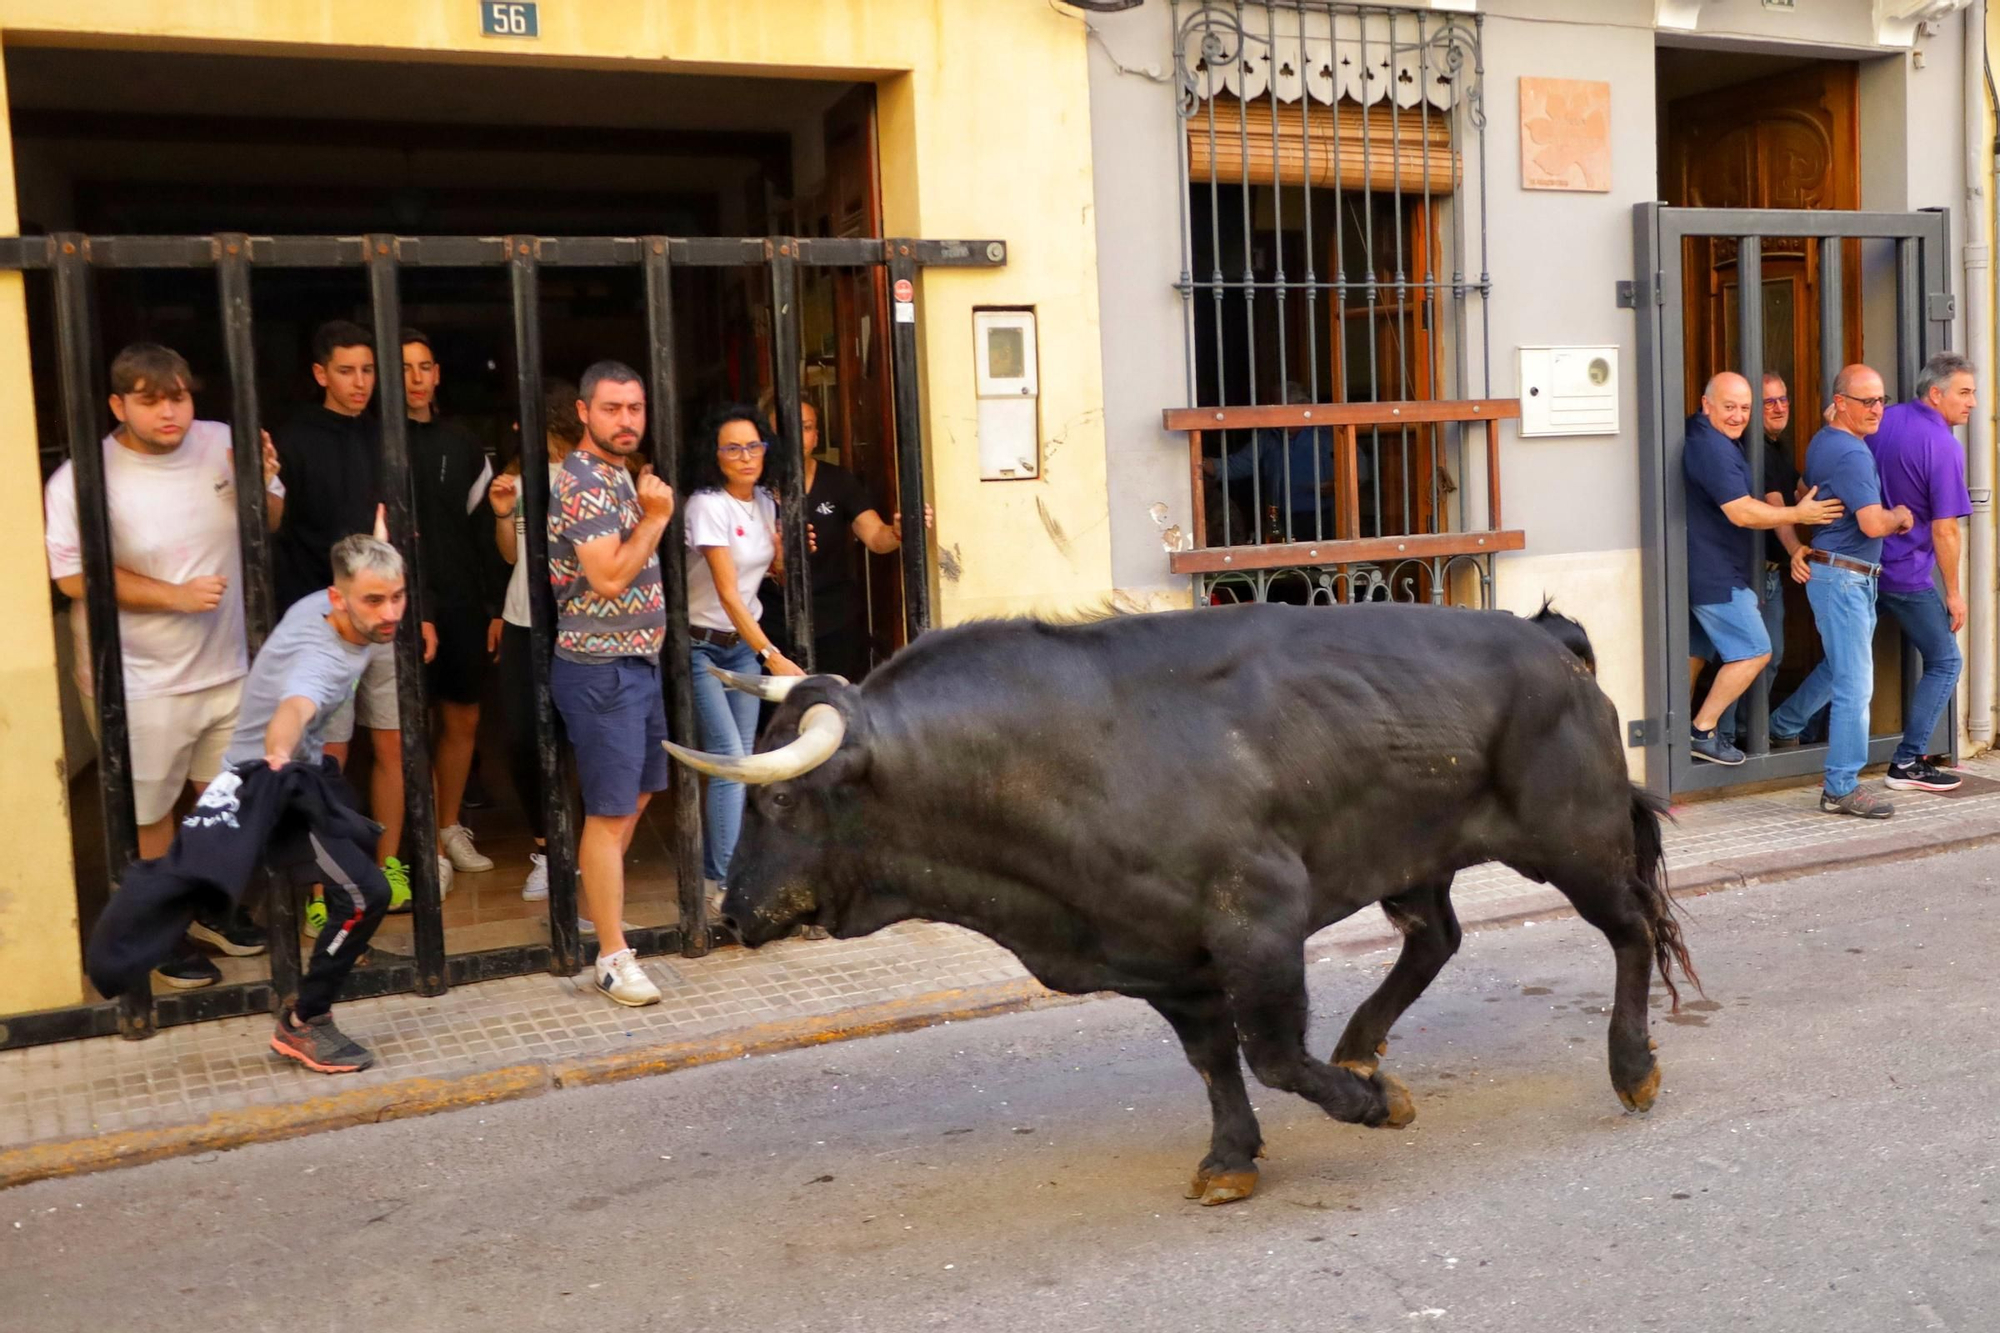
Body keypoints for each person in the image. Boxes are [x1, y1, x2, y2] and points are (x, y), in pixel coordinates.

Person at [43, 342, 286, 988]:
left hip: (228, 664)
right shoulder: (82, 478)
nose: (170, 412)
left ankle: (209, 909)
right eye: (150, 401)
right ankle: (164, 933)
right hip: (141, 678)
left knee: (223, 801)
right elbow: (70, 576)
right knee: (150, 813)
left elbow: (270, 524)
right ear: (118, 405)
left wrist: (260, 481)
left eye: (178, 397)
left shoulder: (220, 442)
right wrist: (173, 596)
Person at [271, 320, 445, 905]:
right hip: (326, 625)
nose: (360, 382)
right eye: (346, 371)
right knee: (329, 759)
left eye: (368, 370)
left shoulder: (385, 436)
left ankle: (388, 869)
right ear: (321, 373)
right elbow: (272, 531)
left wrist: (417, 610)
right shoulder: (292, 440)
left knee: (396, 748)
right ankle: (325, 889)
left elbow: (406, 533)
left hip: (389, 618)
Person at [226, 527, 405, 1073]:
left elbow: (364, 575)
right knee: (365, 893)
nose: (389, 613)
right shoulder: (320, 659)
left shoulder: (328, 603)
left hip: (309, 772)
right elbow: (296, 707)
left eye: (397, 596)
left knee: (356, 855)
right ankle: (304, 1022)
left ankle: (345, 948)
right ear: (339, 598)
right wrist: (279, 752)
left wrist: (378, 544)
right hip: (272, 784)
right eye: (374, 601)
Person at [547, 361, 675, 1006]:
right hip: (601, 671)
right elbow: (608, 579)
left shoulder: (619, 476)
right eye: (612, 408)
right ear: (584, 412)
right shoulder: (583, 484)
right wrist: (655, 517)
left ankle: (592, 907)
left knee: (643, 793)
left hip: (635, 665)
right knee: (610, 811)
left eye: (635, 407)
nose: (626, 420)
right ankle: (611, 956)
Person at [1769, 364, 1914, 818]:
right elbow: (1873, 522)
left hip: (1844, 575)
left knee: (1842, 667)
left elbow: (1801, 487)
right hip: (1845, 577)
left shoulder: (1823, 440)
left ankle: (1784, 723)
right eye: (1866, 401)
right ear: (1841, 403)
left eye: (1881, 400)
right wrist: (1901, 516)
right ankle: (1841, 787)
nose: (1876, 410)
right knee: (1856, 684)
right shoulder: (1851, 454)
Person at [1681, 371, 1840, 765]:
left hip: (1708, 569)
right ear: (1706, 405)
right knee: (1755, 650)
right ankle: (1700, 731)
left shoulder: (1709, 436)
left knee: (1695, 653)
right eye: (1729, 407)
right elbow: (1740, 511)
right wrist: (1800, 513)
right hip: (1714, 574)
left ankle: (1678, 736)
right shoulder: (1713, 448)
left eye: (1744, 408)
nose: (1738, 416)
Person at [684, 403, 802, 915]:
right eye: (733, 448)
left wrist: (780, 558)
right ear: (715, 455)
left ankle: (731, 868)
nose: (745, 456)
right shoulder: (706, 505)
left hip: (743, 648)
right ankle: (724, 881)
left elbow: (760, 576)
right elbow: (728, 594)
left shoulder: (766, 502)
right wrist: (772, 654)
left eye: (753, 445)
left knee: (744, 763)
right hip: (706, 646)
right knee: (730, 761)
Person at [401, 328, 504, 874]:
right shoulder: (374, 441)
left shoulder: (461, 442)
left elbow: (485, 530)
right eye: (403, 369)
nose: (415, 379)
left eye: (424, 367)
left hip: (462, 598)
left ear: (437, 374)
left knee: (462, 717)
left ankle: (446, 830)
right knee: (404, 726)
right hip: (397, 604)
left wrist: (492, 607)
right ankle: (419, 844)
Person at [488, 379, 583, 900]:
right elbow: (509, 555)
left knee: (581, 737)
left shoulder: (596, 476)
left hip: (578, 624)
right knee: (524, 738)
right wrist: (504, 513)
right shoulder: (518, 478)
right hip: (524, 619)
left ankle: (584, 845)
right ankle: (548, 847)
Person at [1867, 351, 1976, 794]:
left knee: (1850, 658)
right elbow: (1946, 530)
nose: (1972, 402)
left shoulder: (1882, 420)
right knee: (1947, 660)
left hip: (1864, 563)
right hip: (1906, 574)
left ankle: (1784, 724)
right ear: (1936, 393)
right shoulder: (1945, 446)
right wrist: (1953, 593)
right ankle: (1908, 761)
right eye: (1964, 392)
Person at [1200, 380, 1342, 540]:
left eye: (1279, 408)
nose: (1272, 413)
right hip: (1280, 517)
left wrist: (1339, 485)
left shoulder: (1325, 433)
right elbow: (1237, 465)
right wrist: (1201, 463)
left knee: (1324, 560)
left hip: (1325, 515)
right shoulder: (1269, 437)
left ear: (1303, 407)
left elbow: (1357, 466)